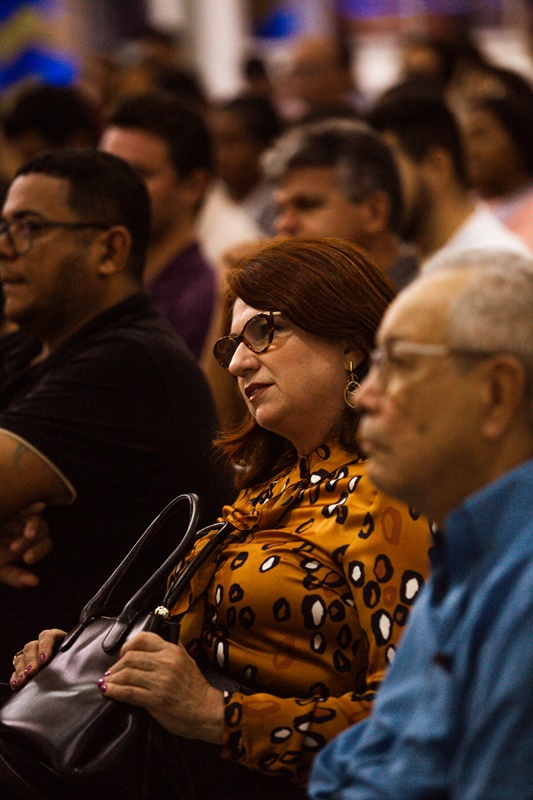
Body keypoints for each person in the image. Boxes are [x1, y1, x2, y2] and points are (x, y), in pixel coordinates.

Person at [11, 238, 432, 799]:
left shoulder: (393, 496)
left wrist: (219, 714)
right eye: (232, 343)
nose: (236, 362)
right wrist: (85, 662)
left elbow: (417, 720)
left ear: (351, 343)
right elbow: (195, 652)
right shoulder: (267, 485)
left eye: (264, 332)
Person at [309, 249, 533, 800]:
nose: (364, 395)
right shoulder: (467, 545)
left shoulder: (523, 586)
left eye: (399, 364)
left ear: (497, 393)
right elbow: (362, 761)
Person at [0, 148, 228, 674]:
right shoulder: (25, 349)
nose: (6, 248)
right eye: (5, 226)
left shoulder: (133, 365)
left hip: (70, 704)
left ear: (109, 249)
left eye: (29, 228)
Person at [100, 90, 216, 358]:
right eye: (105, 169)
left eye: (138, 174)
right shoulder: (103, 283)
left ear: (194, 186)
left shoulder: (201, 301)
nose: (113, 187)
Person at [368, 88, 531, 273]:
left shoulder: (499, 268)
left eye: (388, 169)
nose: (377, 190)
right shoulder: (414, 263)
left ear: (436, 166)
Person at [264, 118, 418, 291]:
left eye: (306, 205)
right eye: (280, 210)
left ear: (374, 212)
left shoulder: (428, 300)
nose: (283, 225)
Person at [461, 85, 533, 251]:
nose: (468, 150)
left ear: (519, 140)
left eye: (480, 136)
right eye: (463, 139)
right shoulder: (470, 205)